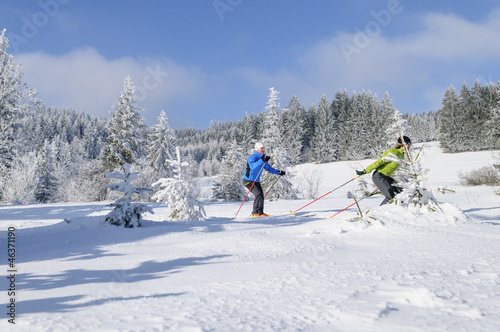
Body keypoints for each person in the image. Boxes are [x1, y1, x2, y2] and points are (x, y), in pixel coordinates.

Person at [356, 136, 412, 205]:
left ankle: (399, 210)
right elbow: (379, 162)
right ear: (402, 144)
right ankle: (379, 214)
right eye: (408, 143)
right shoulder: (393, 152)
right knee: (390, 196)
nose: (409, 145)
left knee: (401, 192)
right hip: (379, 176)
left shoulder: (402, 155)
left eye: (410, 144)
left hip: (386, 177)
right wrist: (365, 171)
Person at [243, 142, 286, 217]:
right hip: (248, 180)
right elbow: (252, 166)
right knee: (258, 194)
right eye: (261, 148)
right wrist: (262, 160)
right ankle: (255, 213)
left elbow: (269, 168)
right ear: (257, 149)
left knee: (261, 195)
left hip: (256, 181)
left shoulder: (263, 158)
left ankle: (260, 213)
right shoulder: (252, 157)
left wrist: (278, 172)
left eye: (264, 148)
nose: (263, 149)